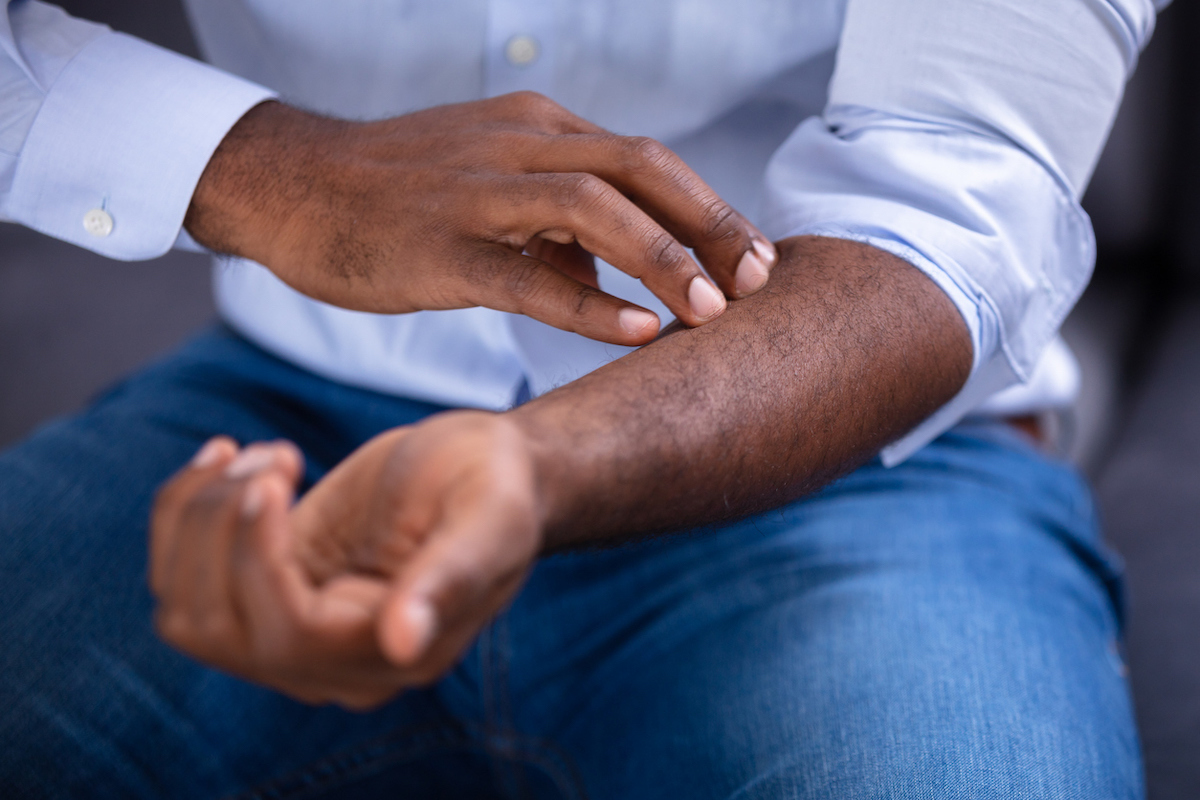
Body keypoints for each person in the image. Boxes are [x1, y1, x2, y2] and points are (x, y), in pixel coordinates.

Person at [0, 0, 1164, 797]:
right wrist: (253, 167)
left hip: (864, 460)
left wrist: (536, 465)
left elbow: (949, 209)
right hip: (283, 395)